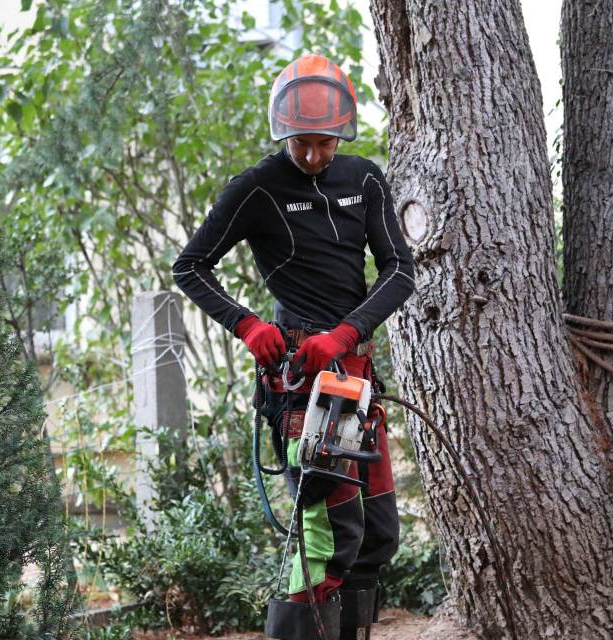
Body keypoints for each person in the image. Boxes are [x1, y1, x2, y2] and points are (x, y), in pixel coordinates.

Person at [172, 52, 415, 640]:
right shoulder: (258, 188)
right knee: (327, 529)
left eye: (325, 143)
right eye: (302, 143)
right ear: (284, 134)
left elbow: (400, 271)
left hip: (353, 371)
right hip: (305, 383)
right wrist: (249, 325)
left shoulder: (364, 179)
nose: (313, 155)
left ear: (342, 135)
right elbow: (191, 267)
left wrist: (346, 332)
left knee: (378, 530)